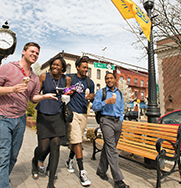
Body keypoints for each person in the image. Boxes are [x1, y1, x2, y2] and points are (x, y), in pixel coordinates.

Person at [0, 42, 58, 188]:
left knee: (12, 157)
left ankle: (1, 181)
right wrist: (12, 89)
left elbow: (33, 97)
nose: (34, 54)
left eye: (37, 53)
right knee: (2, 158)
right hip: (3, 117)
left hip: (20, 120)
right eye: (32, 51)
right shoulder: (8, 68)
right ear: (23, 52)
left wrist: (45, 96)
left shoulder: (34, 77)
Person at [31, 56, 71, 188]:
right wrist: (43, 96)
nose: (54, 67)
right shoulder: (43, 76)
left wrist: (68, 95)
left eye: (58, 65)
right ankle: (35, 161)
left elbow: (67, 93)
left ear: (63, 68)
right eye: (53, 64)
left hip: (58, 115)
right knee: (43, 147)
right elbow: (35, 95)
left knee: (55, 146)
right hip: (44, 113)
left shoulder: (67, 79)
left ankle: (50, 184)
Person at [92, 72, 129, 188]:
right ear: (105, 80)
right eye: (107, 78)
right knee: (112, 150)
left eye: (111, 78)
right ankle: (118, 180)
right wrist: (106, 102)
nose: (109, 80)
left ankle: (101, 170)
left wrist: (121, 119)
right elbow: (94, 107)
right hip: (106, 121)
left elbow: (122, 108)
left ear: (115, 79)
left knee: (108, 147)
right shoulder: (101, 92)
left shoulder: (120, 93)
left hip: (117, 123)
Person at [65, 56, 95, 186]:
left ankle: (69, 160)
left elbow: (92, 99)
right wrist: (69, 91)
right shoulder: (70, 78)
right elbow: (63, 92)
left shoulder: (90, 82)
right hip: (73, 113)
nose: (86, 70)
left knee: (76, 140)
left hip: (84, 113)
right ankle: (82, 171)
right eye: (83, 67)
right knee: (78, 141)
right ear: (77, 67)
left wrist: (92, 97)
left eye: (87, 68)